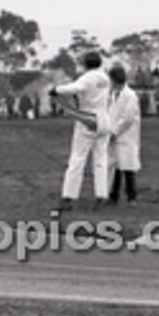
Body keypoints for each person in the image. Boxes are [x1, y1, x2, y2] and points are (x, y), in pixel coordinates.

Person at [49, 51, 111, 210]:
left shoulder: (87, 78)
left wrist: (56, 90)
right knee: (101, 160)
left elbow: (75, 88)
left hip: (88, 118)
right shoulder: (105, 78)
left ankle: (69, 196)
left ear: (85, 64)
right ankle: (101, 195)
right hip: (104, 118)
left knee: (77, 158)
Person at [105, 65, 141, 204]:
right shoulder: (113, 95)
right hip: (115, 134)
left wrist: (116, 132)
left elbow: (129, 117)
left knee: (128, 168)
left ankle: (132, 197)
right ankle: (113, 195)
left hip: (126, 135)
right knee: (116, 168)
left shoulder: (130, 95)